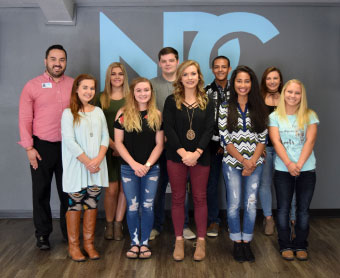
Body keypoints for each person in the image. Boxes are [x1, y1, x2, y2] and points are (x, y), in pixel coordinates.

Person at [18, 44, 73, 250]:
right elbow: (25, 118)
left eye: (61, 59)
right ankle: (42, 235)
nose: (57, 63)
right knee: (41, 192)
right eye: (53, 59)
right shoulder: (32, 86)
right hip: (41, 147)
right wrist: (29, 148)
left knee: (67, 192)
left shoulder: (74, 85)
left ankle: (70, 234)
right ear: (45, 61)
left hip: (69, 147)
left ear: (66, 62)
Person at [163, 60, 214, 261]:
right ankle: (179, 240)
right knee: (177, 197)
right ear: (180, 78)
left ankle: (201, 241)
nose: (190, 78)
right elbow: (169, 129)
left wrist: (196, 153)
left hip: (201, 157)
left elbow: (209, 130)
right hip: (176, 156)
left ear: (199, 76)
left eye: (193, 74)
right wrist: (184, 153)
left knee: (200, 198)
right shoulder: (170, 100)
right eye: (185, 74)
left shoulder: (208, 101)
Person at [218, 65, 268, 263]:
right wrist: (243, 161)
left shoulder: (260, 106)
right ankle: (236, 243)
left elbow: (262, 138)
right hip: (232, 163)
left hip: (256, 163)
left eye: (247, 81)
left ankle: (247, 241)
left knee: (250, 203)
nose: (243, 85)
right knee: (233, 204)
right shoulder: (224, 106)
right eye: (239, 81)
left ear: (252, 83)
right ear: (233, 83)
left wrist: (252, 162)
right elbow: (225, 140)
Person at [269, 79, 319, 261]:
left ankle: (300, 245)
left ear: (302, 95)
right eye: (289, 92)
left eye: (297, 93)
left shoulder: (310, 115)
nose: (293, 96)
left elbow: (310, 141)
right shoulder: (274, 117)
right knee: (282, 209)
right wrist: (289, 164)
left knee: (303, 210)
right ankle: (285, 244)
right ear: (284, 94)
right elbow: (276, 142)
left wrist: (299, 164)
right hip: (283, 170)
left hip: (307, 170)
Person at [61, 74, 109, 261]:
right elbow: (69, 141)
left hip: (96, 165)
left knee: (92, 202)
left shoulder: (98, 111)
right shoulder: (68, 113)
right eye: (85, 88)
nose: (89, 91)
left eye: (91, 88)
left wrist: (98, 158)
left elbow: (105, 136)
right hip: (78, 166)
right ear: (76, 89)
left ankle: (89, 244)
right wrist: (87, 161)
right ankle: (74, 246)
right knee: (75, 204)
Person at [114, 77, 164, 259]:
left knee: (148, 206)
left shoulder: (157, 115)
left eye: (146, 90)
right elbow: (118, 143)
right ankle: (134, 242)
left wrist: (147, 165)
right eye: (139, 91)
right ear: (133, 93)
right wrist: (134, 164)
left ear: (151, 93)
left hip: (151, 168)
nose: (143, 94)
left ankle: (145, 243)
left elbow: (159, 144)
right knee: (133, 207)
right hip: (128, 169)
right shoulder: (123, 113)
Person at [150, 47, 196, 241]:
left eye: (171, 60)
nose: (168, 64)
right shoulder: (151, 85)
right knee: (158, 188)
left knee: (181, 190)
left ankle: (184, 225)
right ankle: (156, 225)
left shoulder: (185, 83)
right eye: (164, 61)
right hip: (158, 146)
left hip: (182, 148)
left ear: (178, 62)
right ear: (159, 63)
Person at [96, 62, 129, 240]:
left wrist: (122, 148)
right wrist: (114, 146)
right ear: (108, 77)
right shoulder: (100, 99)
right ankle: (108, 224)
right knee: (111, 190)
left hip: (127, 150)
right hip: (107, 148)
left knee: (125, 189)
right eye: (113, 74)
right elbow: (98, 127)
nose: (117, 77)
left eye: (120, 74)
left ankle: (118, 224)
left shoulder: (132, 97)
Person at [205, 55, 232, 237]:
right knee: (211, 185)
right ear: (212, 69)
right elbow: (206, 120)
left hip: (233, 146)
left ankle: (232, 221)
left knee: (233, 185)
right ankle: (213, 220)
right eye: (217, 67)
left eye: (224, 67)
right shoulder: (206, 91)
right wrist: (218, 141)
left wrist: (226, 142)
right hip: (212, 146)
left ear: (229, 69)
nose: (220, 69)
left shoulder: (238, 90)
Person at [258, 67, 283, 235]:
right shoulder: (259, 100)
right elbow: (255, 125)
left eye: (275, 78)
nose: (272, 81)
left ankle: (289, 218)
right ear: (264, 81)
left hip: (285, 150)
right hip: (265, 149)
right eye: (269, 78)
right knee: (265, 184)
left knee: (285, 185)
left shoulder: (288, 98)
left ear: (280, 80)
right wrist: (259, 147)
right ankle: (268, 219)